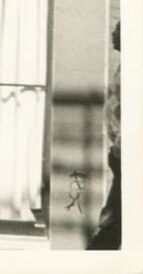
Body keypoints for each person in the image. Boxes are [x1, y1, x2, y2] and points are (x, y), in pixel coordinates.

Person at [87, 21, 121, 249]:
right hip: (122, 149)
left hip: (124, 149)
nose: (113, 35)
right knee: (116, 214)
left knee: (115, 215)